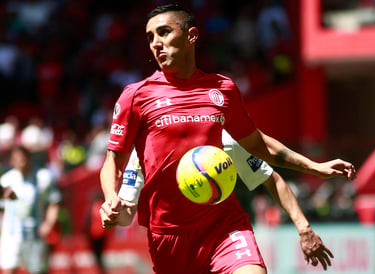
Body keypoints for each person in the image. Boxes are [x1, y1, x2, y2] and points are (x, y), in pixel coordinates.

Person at [99, 4, 356, 274]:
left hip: (223, 225)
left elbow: (258, 144)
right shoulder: (136, 96)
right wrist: (109, 198)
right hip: (169, 236)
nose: (156, 43)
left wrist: (314, 166)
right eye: (150, 37)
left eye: (164, 32)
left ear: (191, 35)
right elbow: (113, 161)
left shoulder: (223, 89)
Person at [103, 129, 334, 270]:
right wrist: (115, 210)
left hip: (225, 229)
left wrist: (304, 228)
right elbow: (126, 214)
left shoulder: (222, 139)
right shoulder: (144, 149)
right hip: (172, 243)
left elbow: (271, 179)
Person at [0, 146, 62, 274]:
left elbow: (53, 202)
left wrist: (48, 224)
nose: (21, 161)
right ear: (11, 161)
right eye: (17, 158)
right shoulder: (6, 180)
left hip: (35, 232)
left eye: (23, 158)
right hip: (11, 233)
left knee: (36, 269)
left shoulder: (43, 177)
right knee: (8, 268)